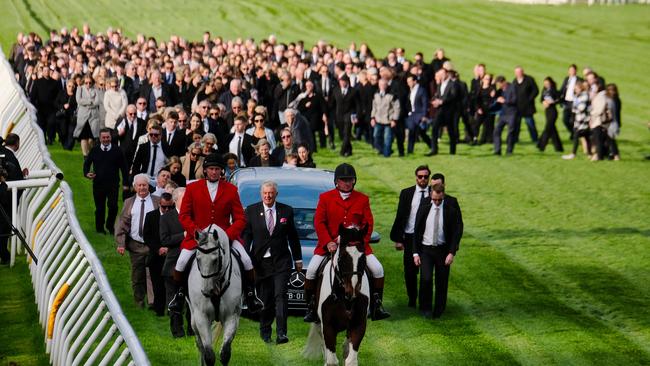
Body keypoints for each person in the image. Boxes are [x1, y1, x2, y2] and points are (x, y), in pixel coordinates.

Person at [169, 153, 263, 313]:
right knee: (181, 262)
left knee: (247, 261)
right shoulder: (192, 188)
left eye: (217, 169)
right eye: (211, 169)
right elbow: (184, 215)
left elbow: (240, 219)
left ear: (221, 171)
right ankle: (179, 295)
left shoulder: (231, 190)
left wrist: (227, 236)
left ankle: (250, 295)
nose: (214, 172)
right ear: (205, 171)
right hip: (198, 238)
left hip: (226, 237)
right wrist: (196, 232)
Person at [304, 163, 390, 322]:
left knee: (378, 269)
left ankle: (376, 305)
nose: (347, 183)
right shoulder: (325, 198)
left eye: (350, 179)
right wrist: (328, 242)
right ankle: (311, 306)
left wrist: (360, 243)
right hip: (331, 245)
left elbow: (368, 224)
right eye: (344, 180)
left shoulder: (362, 199)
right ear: (336, 182)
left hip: (356, 246)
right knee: (311, 270)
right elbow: (319, 222)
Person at [242, 181, 302, 344]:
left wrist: (298, 258)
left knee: (281, 296)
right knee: (265, 299)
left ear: (276, 194)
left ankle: (282, 333)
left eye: (271, 193)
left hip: (281, 262)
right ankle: (265, 331)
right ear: (261, 194)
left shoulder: (286, 211)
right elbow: (247, 236)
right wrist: (245, 259)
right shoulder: (251, 211)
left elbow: (293, 237)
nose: (268, 196)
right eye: (265, 193)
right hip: (260, 263)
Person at [412, 182, 463, 319]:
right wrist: (415, 253)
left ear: (443, 196)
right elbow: (416, 232)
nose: (437, 202)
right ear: (430, 195)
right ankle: (425, 308)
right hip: (426, 250)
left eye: (439, 200)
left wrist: (451, 253)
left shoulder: (450, 211)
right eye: (434, 199)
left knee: (442, 281)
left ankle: (439, 309)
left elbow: (455, 233)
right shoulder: (424, 208)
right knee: (426, 279)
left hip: (442, 251)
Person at [115, 173, 161, 307]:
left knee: (152, 274)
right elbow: (122, 224)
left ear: (149, 186)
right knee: (137, 275)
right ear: (135, 187)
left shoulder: (157, 202)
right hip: (136, 245)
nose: (142, 188)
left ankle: (153, 302)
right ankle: (139, 301)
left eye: (145, 185)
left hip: (153, 245)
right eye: (139, 185)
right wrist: (121, 243)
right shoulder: (129, 202)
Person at [390, 165, 431, 308]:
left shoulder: (434, 194)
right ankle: (412, 298)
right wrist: (397, 239)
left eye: (426, 177)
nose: (423, 179)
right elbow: (400, 216)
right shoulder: (407, 193)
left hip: (427, 238)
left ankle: (425, 301)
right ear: (416, 177)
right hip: (409, 236)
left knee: (426, 272)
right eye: (420, 176)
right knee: (410, 272)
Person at [83, 128, 129, 234]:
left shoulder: (117, 150)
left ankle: (110, 225)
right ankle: (99, 228)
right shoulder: (94, 150)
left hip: (113, 184)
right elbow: (87, 163)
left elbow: (124, 168)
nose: (106, 139)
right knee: (100, 208)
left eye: (107, 137)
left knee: (113, 206)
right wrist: (86, 173)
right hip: (98, 184)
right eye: (103, 137)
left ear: (111, 137)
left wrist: (126, 183)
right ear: (99, 138)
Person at [159, 188, 191, 338]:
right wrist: (183, 235)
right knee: (174, 300)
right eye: (185, 199)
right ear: (176, 200)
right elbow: (164, 240)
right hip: (173, 265)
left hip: (192, 266)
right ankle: (177, 332)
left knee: (193, 300)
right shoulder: (166, 218)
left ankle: (193, 330)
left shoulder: (194, 216)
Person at [142, 192, 174, 316]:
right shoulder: (151, 216)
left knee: (171, 284)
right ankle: (159, 310)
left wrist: (168, 248)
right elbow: (147, 236)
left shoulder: (175, 217)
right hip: (156, 257)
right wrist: (158, 249)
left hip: (171, 256)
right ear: (159, 204)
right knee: (157, 285)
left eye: (169, 207)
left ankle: (172, 309)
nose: (166, 210)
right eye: (164, 207)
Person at [428, 68, 459, 156]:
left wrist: (442, 101)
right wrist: (434, 101)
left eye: (442, 74)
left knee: (451, 131)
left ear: (446, 74)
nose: (440, 76)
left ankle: (452, 151)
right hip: (440, 111)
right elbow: (437, 94)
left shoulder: (452, 84)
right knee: (434, 128)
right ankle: (434, 149)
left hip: (449, 111)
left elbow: (453, 96)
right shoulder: (440, 84)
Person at [330, 74, 360, 157]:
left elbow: (358, 105)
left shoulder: (353, 91)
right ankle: (349, 150)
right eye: (341, 81)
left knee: (347, 133)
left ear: (347, 82)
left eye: (344, 81)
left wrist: (356, 115)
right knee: (342, 135)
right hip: (338, 115)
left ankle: (342, 152)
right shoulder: (335, 90)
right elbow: (332, 104)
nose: (342, 83)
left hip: (349, 115)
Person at [370, 78, 400, 157]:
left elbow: (397, 108)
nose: (382, 86)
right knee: (376, 137)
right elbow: (374, 107)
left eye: (384, 85)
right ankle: (383, 150)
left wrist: (394, 119)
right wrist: (372, 117)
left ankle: (387, 154)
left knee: (387, 139)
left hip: (388, 121)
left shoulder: (392, 95)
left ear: (387, 85)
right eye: (380, 85)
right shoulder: (376, 94)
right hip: (378, 120)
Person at [74, 74, 101, 158]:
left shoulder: (95, 89)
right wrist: (90, 101)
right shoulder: (80, 89)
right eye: (86, 83)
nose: (88, 84)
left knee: (91, 139)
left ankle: (90, 153)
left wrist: (86, 103)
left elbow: (97, 102)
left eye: (90, 82)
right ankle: (85, 155)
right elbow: (79, 100)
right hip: (83, 117)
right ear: (83, 82)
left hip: (93, 117)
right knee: (84, 138)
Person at [563, 82, 591, 160]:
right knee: (585, 136)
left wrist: (575, 108)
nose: (575, 90)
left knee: (577, 135)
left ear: (581, 88)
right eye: (575, 89)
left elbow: (581, 108)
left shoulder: (584, 95)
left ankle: (573, 154)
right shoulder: (577, 96)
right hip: (578, 119)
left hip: (583, 119)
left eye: (577, 89)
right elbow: (574, 108)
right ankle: (589, 154)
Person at [512, 66, 539, 143]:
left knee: (530, 124)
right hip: (518, 107)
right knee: (516, 125)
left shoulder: (529, 80)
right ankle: (515, 139)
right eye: (517, 72)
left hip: (527, 108)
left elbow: (535, 90)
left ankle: (535, 139)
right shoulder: (515, 81)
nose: (518, 74)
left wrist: (529, 99)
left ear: (523, 72)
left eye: (519, 72)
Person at [493, 76, 518, 155]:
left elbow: (515, 100)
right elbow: (494, 96)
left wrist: (505, 101)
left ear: (503, 82)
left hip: (511, 114)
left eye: (499, 84)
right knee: (496, 131)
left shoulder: (512, 88)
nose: (498, 86)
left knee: (510, 133)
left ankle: (509, 151)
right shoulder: (500, 90)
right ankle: (497, 150)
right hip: (503, 114)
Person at [537, 77, 563, 153]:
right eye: (545, 84)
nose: (546, 85)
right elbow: (541, 99)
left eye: (547, 83)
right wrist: (543, 102)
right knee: (552, 130)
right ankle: (559, 147)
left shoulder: (554, 90)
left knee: (548, 128)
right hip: (547, 111)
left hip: (553, 111)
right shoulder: (544, 90)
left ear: (551, 83)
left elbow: (559, 99)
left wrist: (552, 102)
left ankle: (541, 145)